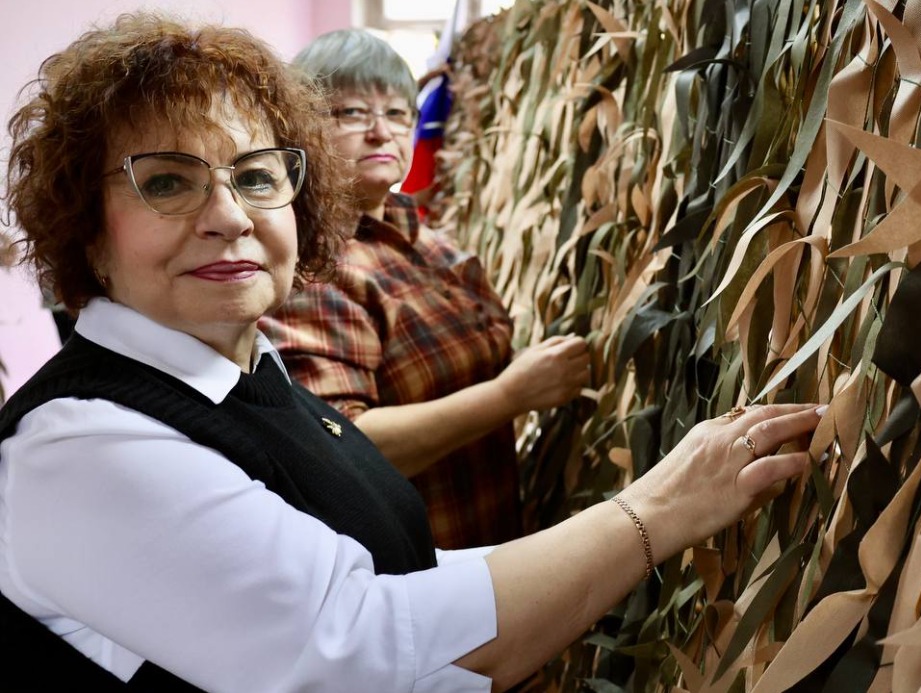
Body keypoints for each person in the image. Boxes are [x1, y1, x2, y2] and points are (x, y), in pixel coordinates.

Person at [0, 13, 824, 692]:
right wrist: (657, 509)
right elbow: (362, 650)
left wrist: (607, 537)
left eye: (256, 177)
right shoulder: (78, 447)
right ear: (85, 230)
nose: (228, 214)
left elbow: (400, 573)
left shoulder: (246, 373)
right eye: (168, 182)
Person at [260, 29, 589, 549]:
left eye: (397, 114)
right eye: (350, 113)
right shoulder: (311, 266)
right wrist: (511, 395)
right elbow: (340, 444)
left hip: (488, 543)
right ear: (300, 128)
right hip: (412, 573)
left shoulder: (432, 244)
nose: (381, 132)